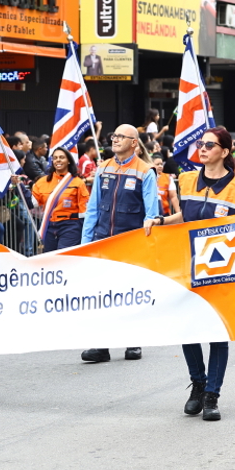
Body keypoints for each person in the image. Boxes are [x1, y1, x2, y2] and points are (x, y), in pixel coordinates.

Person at [143, 127, 235, 422]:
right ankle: (197, 384)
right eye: (201, 143)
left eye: (209, 144)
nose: (203, 148)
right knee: (188, 328)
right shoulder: (185, 179)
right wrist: (159, 220)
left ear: (224, 152)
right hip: (188, 264)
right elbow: (185, 216)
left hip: (223, 269)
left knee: (217, 330)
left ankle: (212, 394)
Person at [79, 124, 159, 363]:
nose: (115, 139)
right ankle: (102, 346)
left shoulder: (145, 171)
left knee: (129, 293)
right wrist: (86, 243)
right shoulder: (103, 168)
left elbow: (151, 213)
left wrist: (146, 244)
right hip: (103, 241)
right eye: (114, 136)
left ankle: (133, 341)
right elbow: (93, 209)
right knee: (102, 295)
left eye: (121, 136)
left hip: (131, 243)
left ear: (134, 142)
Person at [31, 147, 89, 251]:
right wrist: (19, 185)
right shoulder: (42, 181)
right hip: (49, 227)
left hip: (70, 226)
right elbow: (32, 203)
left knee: (64, 257)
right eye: (55, 158)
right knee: (50, 259)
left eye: (62, 157)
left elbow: (85, 211)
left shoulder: (78, 183)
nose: (58, 160)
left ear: (69, 161)